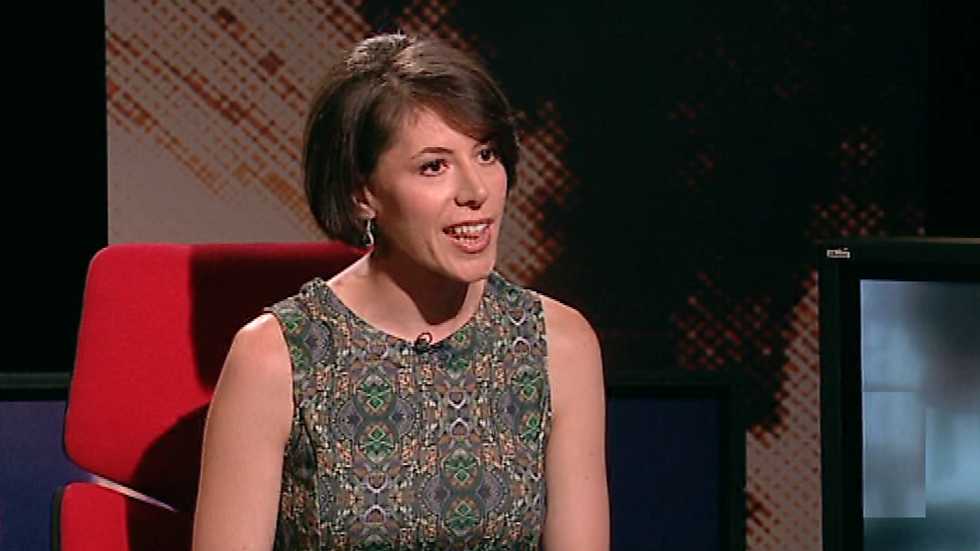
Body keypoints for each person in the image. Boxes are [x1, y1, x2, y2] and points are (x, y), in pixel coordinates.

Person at [192, 33, 608, 551]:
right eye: (434, 166)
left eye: (486, 154)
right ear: (361, 193)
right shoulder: (274, 358)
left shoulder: (557, 344)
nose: (477, 191)